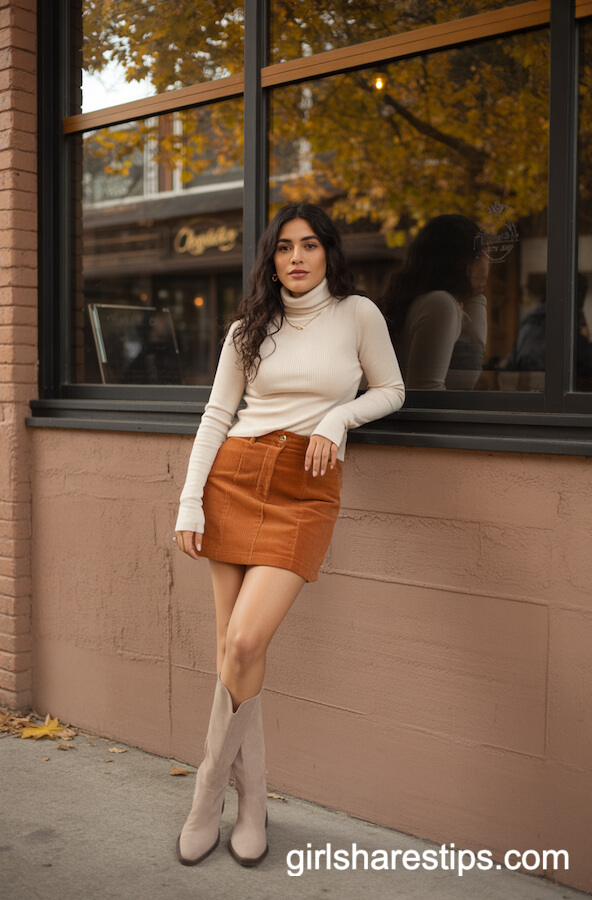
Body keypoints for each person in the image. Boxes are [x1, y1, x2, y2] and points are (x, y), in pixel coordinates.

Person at [173, 202, 405, 868]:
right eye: (283, 248)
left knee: (247, 640)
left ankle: (206, 795)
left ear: (328, 251)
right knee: (231, 652)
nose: (296, 258)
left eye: (309, 245)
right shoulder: (249, 328)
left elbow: (391, 388)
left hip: (305, 489)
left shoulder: (358, 315)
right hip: (234, 478)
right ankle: (251, 806)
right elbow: (217, 416)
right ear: (270, 259)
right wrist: (191, 502)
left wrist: (338, 419)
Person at [382, 214, 488, 390]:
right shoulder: (440, 304)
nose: (488, 263)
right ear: (466, 261)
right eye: (484, 254)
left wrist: (476, 294)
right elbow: (426, 391)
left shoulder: (427, 302)